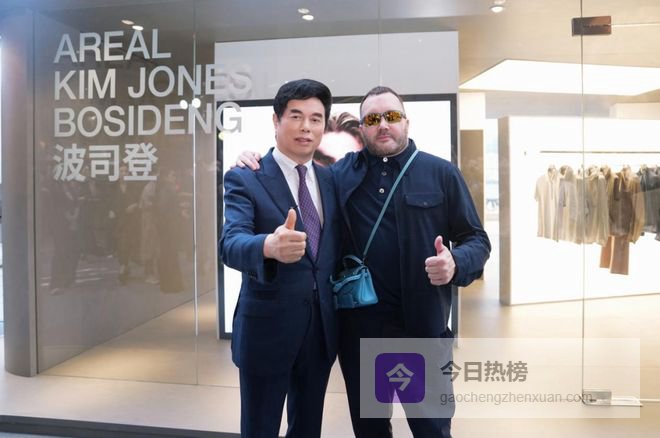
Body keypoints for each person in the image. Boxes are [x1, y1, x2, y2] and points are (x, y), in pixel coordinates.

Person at [235, 86, 490, 438]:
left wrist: (456, 263)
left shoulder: (441, 173)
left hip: (422, 331)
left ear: (407, 121)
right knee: (371, 431)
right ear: (363, 127)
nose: (383, 124)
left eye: (392, 116)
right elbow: (292, 172)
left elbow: (477, 240)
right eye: (372, 119)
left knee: (431, 429)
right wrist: (252, 158)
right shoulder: (339, 175)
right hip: (361, 335)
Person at [221, 79, 341, 438]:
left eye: (316, 119)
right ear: (276, 120)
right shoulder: (246, 177)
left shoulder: (331, 179)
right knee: (260, 429)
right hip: (267, 330)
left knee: (307, 428)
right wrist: (268, 247)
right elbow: (231, 243)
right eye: (296, 116)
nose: (306, 127)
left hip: (320, 330)